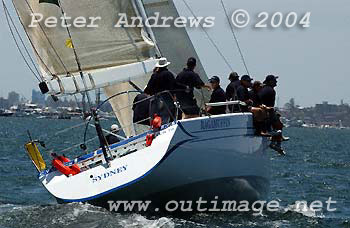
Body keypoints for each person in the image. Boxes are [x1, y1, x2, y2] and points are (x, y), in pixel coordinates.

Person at [259, 75, 289, 155]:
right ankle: (276, 144)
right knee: (279, 125)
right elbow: (269, 105)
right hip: (267, 112)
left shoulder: (263, 89)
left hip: (265, 111)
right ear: (270, 81)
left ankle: (276, 142)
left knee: (278, 124)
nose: (276, 82)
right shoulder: (270, 90)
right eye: (274, 80)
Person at [145, 58, 177, 123]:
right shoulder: (169, 74)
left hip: (155, 98)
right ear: (166, 65)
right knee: (164, 117)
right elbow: (174, 86)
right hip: (166, 98)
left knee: (154, 117)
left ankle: (155, 130)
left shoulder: (154, 75)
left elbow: (148, 88)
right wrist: (175, 96)